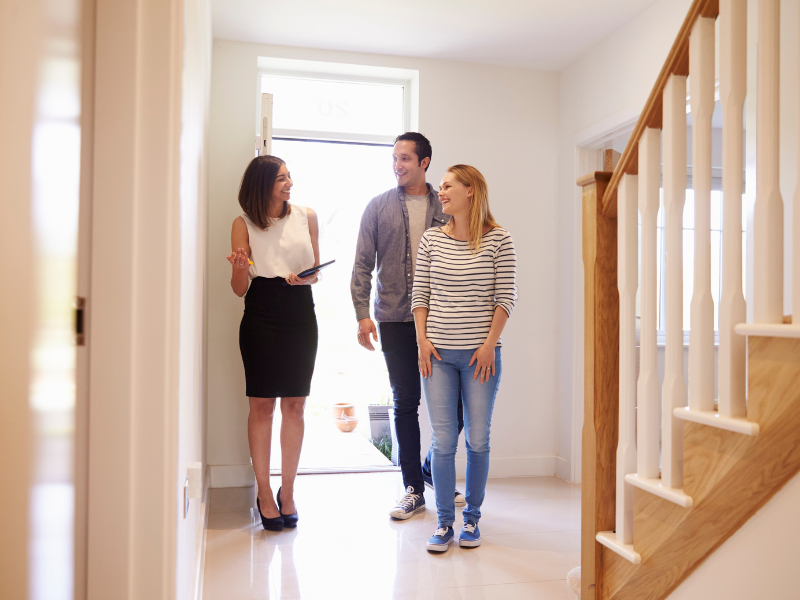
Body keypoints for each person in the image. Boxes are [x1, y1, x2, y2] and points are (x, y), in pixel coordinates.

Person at [351, 132, 465, 520]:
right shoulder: (378, 207)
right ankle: (413, 488)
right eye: (395, 158)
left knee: (456, 405)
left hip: (445, 318)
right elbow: (363, 264)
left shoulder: (448, 207)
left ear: (425, 162)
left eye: (405, 159)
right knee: (405, 403)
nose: (398, 165)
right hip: (396, 319)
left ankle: (432, 466)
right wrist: (362, 313)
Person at [411, 164, 517, 552]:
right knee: (442, 442)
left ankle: (471, 519)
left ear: (471, 191)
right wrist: (421, 341)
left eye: (448, 185)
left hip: (480, 359)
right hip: (436, 355)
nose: (441, 192)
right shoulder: (431, 241)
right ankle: (443, 524)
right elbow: (419, 295)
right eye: (440, 187)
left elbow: (505, 297)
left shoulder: (498, 239)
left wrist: (489, 344)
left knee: (477, 439)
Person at [228, 155, 320, 531]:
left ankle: (288, 491)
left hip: (300, 309)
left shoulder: (306, 216)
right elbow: (239, 289)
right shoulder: (243, 223)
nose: (290, 183)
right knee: (262, 405)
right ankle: (264, 492)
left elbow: (315, 275)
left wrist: (305, 279)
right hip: (261, 312)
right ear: (262, 184)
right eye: (281, 179)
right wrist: (237, 267)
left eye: (289, 176)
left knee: (295, 405)